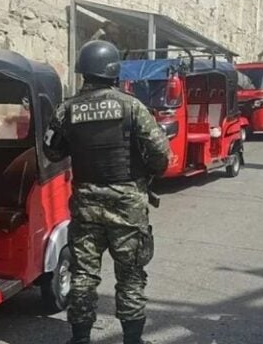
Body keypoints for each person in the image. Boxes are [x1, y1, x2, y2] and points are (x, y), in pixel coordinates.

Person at [43, 40, 170, 344]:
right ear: (113, 71)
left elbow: (51, 151)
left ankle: (80, 338)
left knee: (83, 275)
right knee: (130, 277)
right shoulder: (131, 107)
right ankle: (132, 339)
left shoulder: (67, 110)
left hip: (86, 207)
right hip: (127, 207)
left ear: (84, 71)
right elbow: (161, 156)